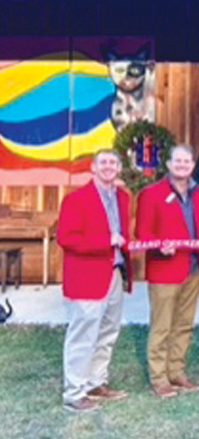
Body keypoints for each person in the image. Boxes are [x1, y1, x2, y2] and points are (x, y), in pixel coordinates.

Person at [57, 149, 133, 413]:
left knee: (108, 332)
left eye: (113, 162)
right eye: (103, 162)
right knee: (83, 335)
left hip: (114, 273)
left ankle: (95, 383)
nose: (109, 167)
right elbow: (66, 239)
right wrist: (106, 242)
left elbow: (123, 235)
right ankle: (74, 393)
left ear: (119, 168)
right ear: (93, 168)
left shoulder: (123, 197)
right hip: (86, 277)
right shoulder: (76, 200)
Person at [136, 144, 199, 398]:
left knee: (184, 325)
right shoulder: (151, 193)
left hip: (193, 268)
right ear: (168, 165)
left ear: (193, 166)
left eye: (187, 162)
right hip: (165, 269)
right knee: (162, 326)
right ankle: (159, 378)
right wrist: (159, 246)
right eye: (177, 161)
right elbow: (143, 233)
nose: (182, 165)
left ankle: (177, 371)